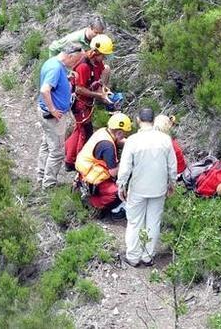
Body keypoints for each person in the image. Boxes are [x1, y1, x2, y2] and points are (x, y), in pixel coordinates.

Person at [117, 108, 177, 267]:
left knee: (135, 222)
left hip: (138, 187)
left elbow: (125, 167)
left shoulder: (133, 140)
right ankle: (148, 256)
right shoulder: (165, 139)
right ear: (153, 119)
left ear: (138, 120)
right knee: (153, 222)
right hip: (158, 187)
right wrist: (172, 182)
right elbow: (172, 165)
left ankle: (133, 256)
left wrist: (121, 184)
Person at [64, 34, 115, 170]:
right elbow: (80, 89)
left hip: (87, 102)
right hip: (80, 103)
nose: (104, 58)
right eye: (103, 55)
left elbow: (98, 79)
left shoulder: (97, 63)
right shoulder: (83, 66)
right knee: (84, 132)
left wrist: (102, 90)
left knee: (80, 130)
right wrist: (98, 96)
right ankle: (76, 162)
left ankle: (69, 159)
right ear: (95, 52)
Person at [37, 44, 83, 189]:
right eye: (76, 60)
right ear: (70, 56)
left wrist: (67, 79)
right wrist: (53, 110)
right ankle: (49, 184)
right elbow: (45, 90)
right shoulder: (55, 68)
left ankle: (41, 176)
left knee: (46, 145)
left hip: (47, 114)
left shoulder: (54, 63)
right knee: (57, 151)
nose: (76, 64)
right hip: (53, 117)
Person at [75, 113, 132, 213]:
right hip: (92, 180)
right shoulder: (108, 146)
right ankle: (93, 204)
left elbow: (119, 141)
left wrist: (134, 144)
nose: (125, 136)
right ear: (118, 133)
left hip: (84, 173)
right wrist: (127, 162)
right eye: (124, 134)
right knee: (117, 195)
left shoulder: (103, 131)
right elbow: (113, 172)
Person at [48, 15, 111, 86]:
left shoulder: (98, 40)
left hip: (88, 66)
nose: (98, 36)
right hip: (74, 68)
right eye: (96, 33)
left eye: (100, 33)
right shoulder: (74, 39)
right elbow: (53, 48)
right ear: (89, 28)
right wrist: (59, 70)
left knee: (106, 69)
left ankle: (101, 92)